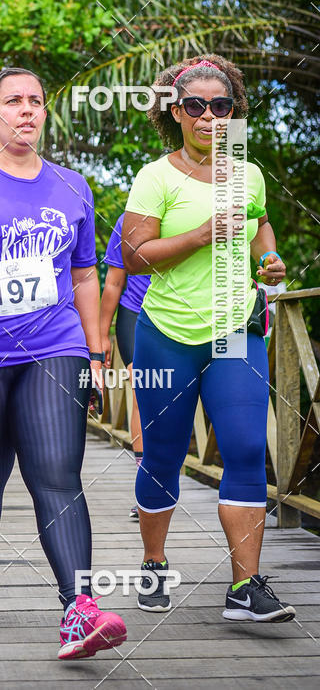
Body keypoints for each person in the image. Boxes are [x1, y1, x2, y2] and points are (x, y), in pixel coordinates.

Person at [0, 67, 127, 659]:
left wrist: (94, 349)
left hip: (55, 346)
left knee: (57, 472)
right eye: (14, 101)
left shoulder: (72, 186)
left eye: (36, 101)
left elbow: (84, 273)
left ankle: (78, 609)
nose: (27, 111)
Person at [122, 54, 296, 623]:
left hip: (233, 331)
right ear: (175, 112)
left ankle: (244, 588)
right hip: (168, 334)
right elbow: (133, 255)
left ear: (232, 114)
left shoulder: (247, 170)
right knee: (164, 456)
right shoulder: (156, 176)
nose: (207, 115)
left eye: (219, 106)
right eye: (194, 105)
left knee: (247, 449)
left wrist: (267, 257)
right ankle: (153, 563)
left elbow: (259, 222)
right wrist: (198, 235)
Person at [100, 212, 150, 519]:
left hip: (187, 318)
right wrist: (101, 335)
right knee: (143, 389)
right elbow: (114, 281)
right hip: (135, 314)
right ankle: (146, 489)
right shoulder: (129, 219)